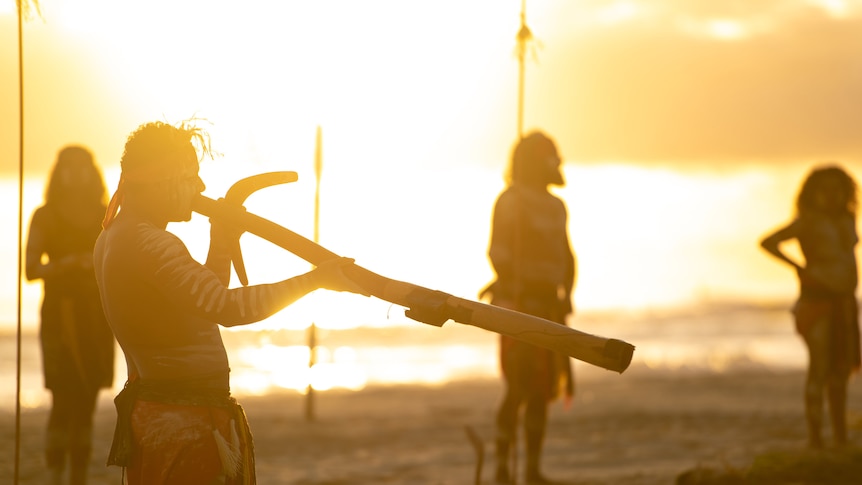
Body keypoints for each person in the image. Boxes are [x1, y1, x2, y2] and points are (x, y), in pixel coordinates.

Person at [93, 120, 366, 484]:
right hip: (182, 423)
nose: (201, 187)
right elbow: (228, 308)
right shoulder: (150, 243)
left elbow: (200, 306)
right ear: (161, 181)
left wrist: (220, 241)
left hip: (163, 417)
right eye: (191, 177)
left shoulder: (115, 235)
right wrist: (315, 280)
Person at [480, 131, 576, 484]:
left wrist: (567, 292)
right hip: (517, 303)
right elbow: (497, 251)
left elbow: (566, 255)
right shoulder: (510, 201)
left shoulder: (556, 207)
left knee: (541, 389)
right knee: (518, 385)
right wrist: (514, 279)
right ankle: (503, 467)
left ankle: (533, 468)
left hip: (549, 304)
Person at [25, 146, 116, 485]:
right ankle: (54, 475)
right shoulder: (45, 216)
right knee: (63, 400)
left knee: (88, 402)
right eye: (68, 168)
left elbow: (118, 264)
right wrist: (70, 264)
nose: (75, 175)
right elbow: (32, 269)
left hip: (97, 316)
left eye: (81, 168)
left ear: (92, 173)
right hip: (60, 318)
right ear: (57, 172)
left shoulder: (105, 215)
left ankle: (78, 476)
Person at [760, 164, 861, 449]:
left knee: (841, 370)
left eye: (837, 189)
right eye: (825, 190)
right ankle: (816, 439)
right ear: (813, 193)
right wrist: (799, 267)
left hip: (845, 302)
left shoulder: (847, 218)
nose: (831, 196)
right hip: (818, 302)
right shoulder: (807, 222)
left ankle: (840, 439)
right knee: (820, 369)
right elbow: (768, 242)